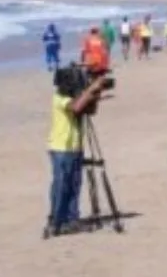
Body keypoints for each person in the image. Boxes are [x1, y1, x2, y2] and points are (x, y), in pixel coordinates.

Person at [45, 67, 108, 237]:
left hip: (75, 147)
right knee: (61, 185)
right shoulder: (59, 98)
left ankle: (72, 220)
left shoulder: (75, 97)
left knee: (74, 184)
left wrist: (96, 94)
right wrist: (91, 89)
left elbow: (90, 110)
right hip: (61, 148)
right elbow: (76, 108)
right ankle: (57, 220)